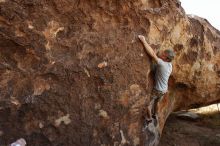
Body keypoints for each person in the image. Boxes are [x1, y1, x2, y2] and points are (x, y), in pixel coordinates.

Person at [138, 35, 175, 125]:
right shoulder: (170, 65)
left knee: (148, 104)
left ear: (166, 59)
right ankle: (155, 115)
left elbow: (153, 54)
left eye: (163, 55)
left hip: (157, 90)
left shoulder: (162, 64)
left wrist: (143, 41)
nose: (161, 55)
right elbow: (158, 57)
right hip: (164, 90)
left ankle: (149, 118)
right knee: (157, 102)